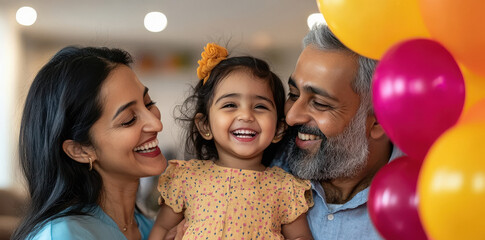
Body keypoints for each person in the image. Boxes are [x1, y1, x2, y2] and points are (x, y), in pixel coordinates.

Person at [12, 46, 184, 240]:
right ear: (80, 150)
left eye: (148, 103)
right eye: (129, 119)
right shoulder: (62, 235)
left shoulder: (152, 229)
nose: (156, 124)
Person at [148, 43, 314, 240]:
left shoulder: (286, 188)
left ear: (278, 129)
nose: (246, 115)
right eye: (230, 105)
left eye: (260, 106)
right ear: (205, 126)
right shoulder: (186, 178)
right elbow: (161, 230)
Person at [276, 25, 404, 239]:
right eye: (293, 94)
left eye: (319, 103)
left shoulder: (428, 203)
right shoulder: (262, 168)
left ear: (379, 123)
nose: (291, 117)